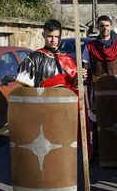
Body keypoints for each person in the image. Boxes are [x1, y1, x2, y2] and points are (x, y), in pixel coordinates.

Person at [15, 19, 91, 154]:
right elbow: (25, 92)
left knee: (62, 150)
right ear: (43, 35)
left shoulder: (67, 59)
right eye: (50, 36)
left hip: (64, 114)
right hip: (42, 113)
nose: (53, 40)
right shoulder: (34, 58)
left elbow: (73, 89)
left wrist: (78, 79)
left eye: (56, 37)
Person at [82, 15, 117, 162]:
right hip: (97, 89)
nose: (105, 28)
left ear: (111, 26)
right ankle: (96, 153)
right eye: (102, 25)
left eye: (107, 25)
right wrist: (82, 72)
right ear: (97, 27)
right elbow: (85, 67)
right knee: (97, 122)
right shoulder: (90, 47)